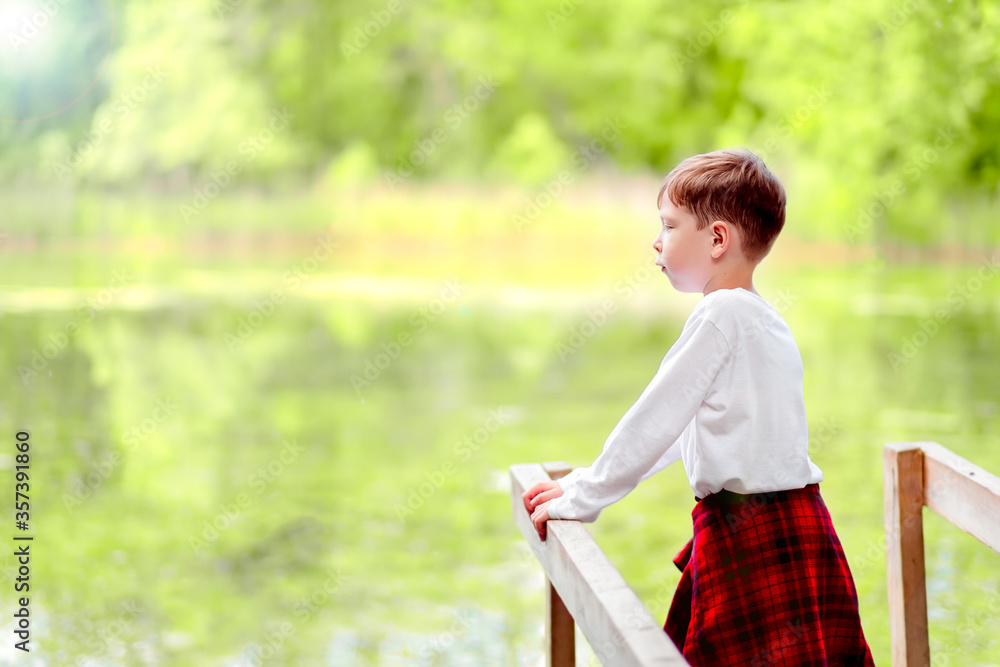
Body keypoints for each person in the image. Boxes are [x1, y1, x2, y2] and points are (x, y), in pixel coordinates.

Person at [521, 149, 874, 665]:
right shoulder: (765, 320)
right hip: (799, 525)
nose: (656, 240)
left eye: (669, 224)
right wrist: (582, 482)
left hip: (747, 537)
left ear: (716, 239)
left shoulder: (719, 315)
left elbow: (655, 417)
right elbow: (684, 428)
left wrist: (588, 496)